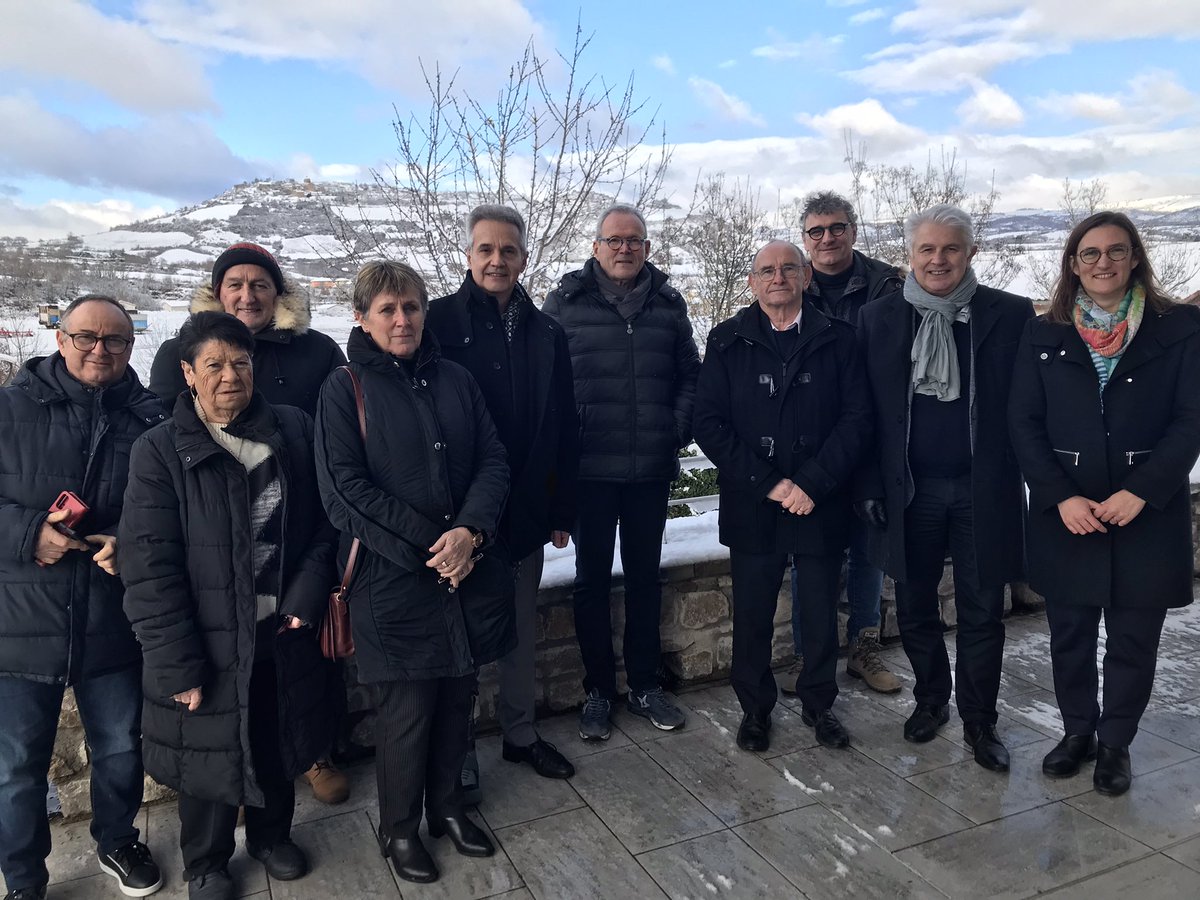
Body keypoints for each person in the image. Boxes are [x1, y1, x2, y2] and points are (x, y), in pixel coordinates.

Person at [120, 312, 339, 900]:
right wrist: (176, 661)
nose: (229, 376)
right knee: (207, 755)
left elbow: (324, 527)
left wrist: (306, 594)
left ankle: (271, 837)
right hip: (207, 638)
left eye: (240, 362)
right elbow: (148, 565)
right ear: (188, 373)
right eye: (213, 364)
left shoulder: (290, 429)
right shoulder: (159, 451)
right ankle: (207, 862)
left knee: (275, 736)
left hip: (279, 627)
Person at [314, 260, 514, 885]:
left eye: (412, 307)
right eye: (388, 310)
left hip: (467, 570)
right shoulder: (343, 388)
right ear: (362, 317)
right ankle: (399, 828)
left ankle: (448, 806)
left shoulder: (455, 379)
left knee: (459, 699)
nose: (403, 320)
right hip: (393, 579)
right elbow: (344, 492)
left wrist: (472, 533)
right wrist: (437, 546)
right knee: (406, 715)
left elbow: (493, 459)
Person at [149, 241, 349, 804]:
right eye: (234, 284)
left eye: (260, 284)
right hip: (212, 528)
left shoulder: (315, 350)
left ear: (277, 293)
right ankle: (238, 774)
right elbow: (161, 438)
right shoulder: (178, 352)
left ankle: (313, 754)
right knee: (229, 669)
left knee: (301, 654)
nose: (247, 293)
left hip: (303, 515)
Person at [1009, 212, 1200, 795]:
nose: (1103, 263)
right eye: (1089, 254)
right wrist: (1060, 497)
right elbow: (1024, 422)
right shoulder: (1044, 331)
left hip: (1147, 513)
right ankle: (1077, 734)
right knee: (1068, 635)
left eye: (1116, 252)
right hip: (1069, 515)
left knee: (1133, 641)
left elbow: (1192, 418)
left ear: (1136, 257)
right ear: (1072, 264)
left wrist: (1142, 490)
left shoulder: (1179, 328)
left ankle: (1115, 744)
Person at [0, 295, 166, 900]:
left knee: (121, 746)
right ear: (60, 338)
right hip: (19, 620)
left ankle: (117, 841)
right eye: (87, 338)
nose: (101, 350)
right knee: (16, 768)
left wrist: (128, 540)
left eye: (116, 340)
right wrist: (25, 534)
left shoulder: (152, 418)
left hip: (112, 617)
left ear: (131, 345)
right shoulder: (8, 407)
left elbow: (167, 509)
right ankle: (22, 880)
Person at [857, 204, 1033, 772]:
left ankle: (981, 721)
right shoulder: (879, 319)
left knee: (984, 610)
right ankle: (932, 699)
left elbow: (1033, 407)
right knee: (913, 605)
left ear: (970, 252)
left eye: (950, 249)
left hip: (984, 489)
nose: (938, 260)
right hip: (911, 491)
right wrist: (869, 484)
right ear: (910, 256)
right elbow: (862, 414)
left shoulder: (1008, 314)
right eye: (927, 250)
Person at [695, 240, 872, 753]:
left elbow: (857, 419)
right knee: (751, 614)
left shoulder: (841, 339)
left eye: (788, 268)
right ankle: (754, 710)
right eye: (766, 270)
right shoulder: (725, 340)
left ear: (806, 277)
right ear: (752, 282)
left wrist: (812, 483)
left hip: (820, 500)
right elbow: (708, 422)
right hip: (755, 502)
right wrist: (770, 484)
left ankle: (820, 706)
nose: (777, 277)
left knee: (819, 611)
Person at [427, 205, 578, 796]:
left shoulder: (547, 334)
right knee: (458, 638)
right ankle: (458, 749)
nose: (497, 260)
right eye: (485, 249)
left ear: (523, 257)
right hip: (458, 519)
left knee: (518, 634)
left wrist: (563, 509)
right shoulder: (436, 323)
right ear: (469, 256)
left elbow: (565, 424)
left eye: (508, 250)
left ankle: (520, 735)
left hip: (526, 515)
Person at [543, 204, 701, 740]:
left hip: (649, 470)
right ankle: (597, 692)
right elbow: (549, 391)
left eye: (634, 240)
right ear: (596, 247)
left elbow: (690, 378)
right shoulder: (564, 305)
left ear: (647, 248)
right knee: (589, 583)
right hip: (589, 471)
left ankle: (644, 686)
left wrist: (672, 430)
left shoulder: (669, 306)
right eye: (614, 240)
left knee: (643, 580)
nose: (624, 248)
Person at [781, 191, 904, 697]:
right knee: (807, 548)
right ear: (805, 239)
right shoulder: (790, 283)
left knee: (868, 545)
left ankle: (864, 646)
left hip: (875, 435)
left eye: (836, 228)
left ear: (853, 230)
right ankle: (808, 653)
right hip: (811, 441)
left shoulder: (887, 285)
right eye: (816, 231)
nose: (827, 238)